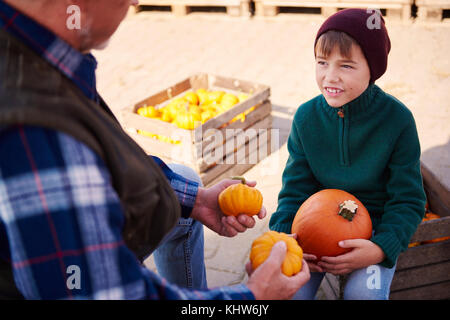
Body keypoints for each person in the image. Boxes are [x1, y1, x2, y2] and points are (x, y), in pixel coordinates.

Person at [0, 0, 310, 299]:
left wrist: (197, 200)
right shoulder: (40, 125)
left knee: (184, 182)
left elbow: (102, 161)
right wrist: (252, 298)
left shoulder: (34, 54)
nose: (135, 2)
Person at [269, 8, 426, 300]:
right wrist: (284, 237)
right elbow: (294, 189)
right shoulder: (306, 118)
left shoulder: (398, 121)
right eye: (322, 63)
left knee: (363, 296)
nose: (330, 76)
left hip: (372, 233)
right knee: (287, 292)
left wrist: (381, 247)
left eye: (346, 66)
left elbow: (408, 199)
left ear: (373, 69)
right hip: (312, 232)